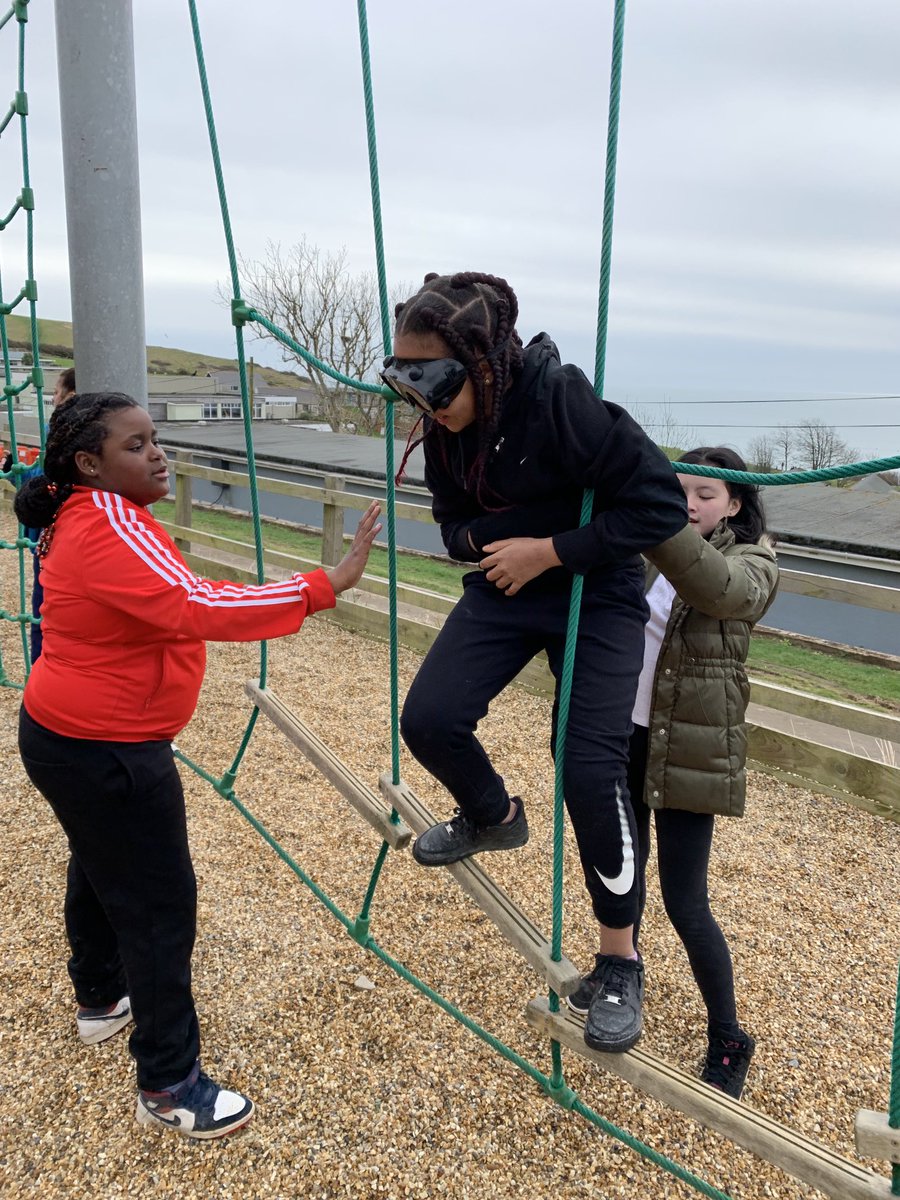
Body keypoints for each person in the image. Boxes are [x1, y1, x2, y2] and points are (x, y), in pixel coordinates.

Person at [14, 391, 381, 1139]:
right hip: (108, 747)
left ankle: (100, 998)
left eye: (155, 438)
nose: (158, 454)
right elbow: (198, 604)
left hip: (66, 734)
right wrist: (325, 585)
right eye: (135, 445)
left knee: (100, 862)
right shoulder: (108, 520)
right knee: (158, 905)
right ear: (89, 463)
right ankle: (170, 1083)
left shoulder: (79, 513)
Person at [381, 272, 688, 1056]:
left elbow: (658, 505)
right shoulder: (443, 428)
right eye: (407, 381)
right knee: (428, 720)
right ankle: (494, 815)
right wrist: (497, 546)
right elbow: (452, 524)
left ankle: (619, 961)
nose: (425, 403)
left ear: (483, 365)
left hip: (596, 586)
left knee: (587, 766)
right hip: (508, 581)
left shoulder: (560, 401)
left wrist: (549, 549)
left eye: (436, 383)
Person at [565, 446, 779, 1099]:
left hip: (689, 748)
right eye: (677, 490)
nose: (688, 503)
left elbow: (722, 590)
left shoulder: (753, 560)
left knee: (685, 901)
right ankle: (620, 969)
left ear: (734, 503)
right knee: (619, 870)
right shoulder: (647, 552)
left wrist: (656, 521)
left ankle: (729, 1035)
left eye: (705, 494)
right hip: (625, 737)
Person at [25, 367, 78, 661]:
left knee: (45, 615)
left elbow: (43, 482)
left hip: (51, 536)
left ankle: (41, 673)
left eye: (56, 392)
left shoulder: (57, 432)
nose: (53, 398)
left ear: (70, 395)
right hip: (72, 535)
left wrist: (14, 471)